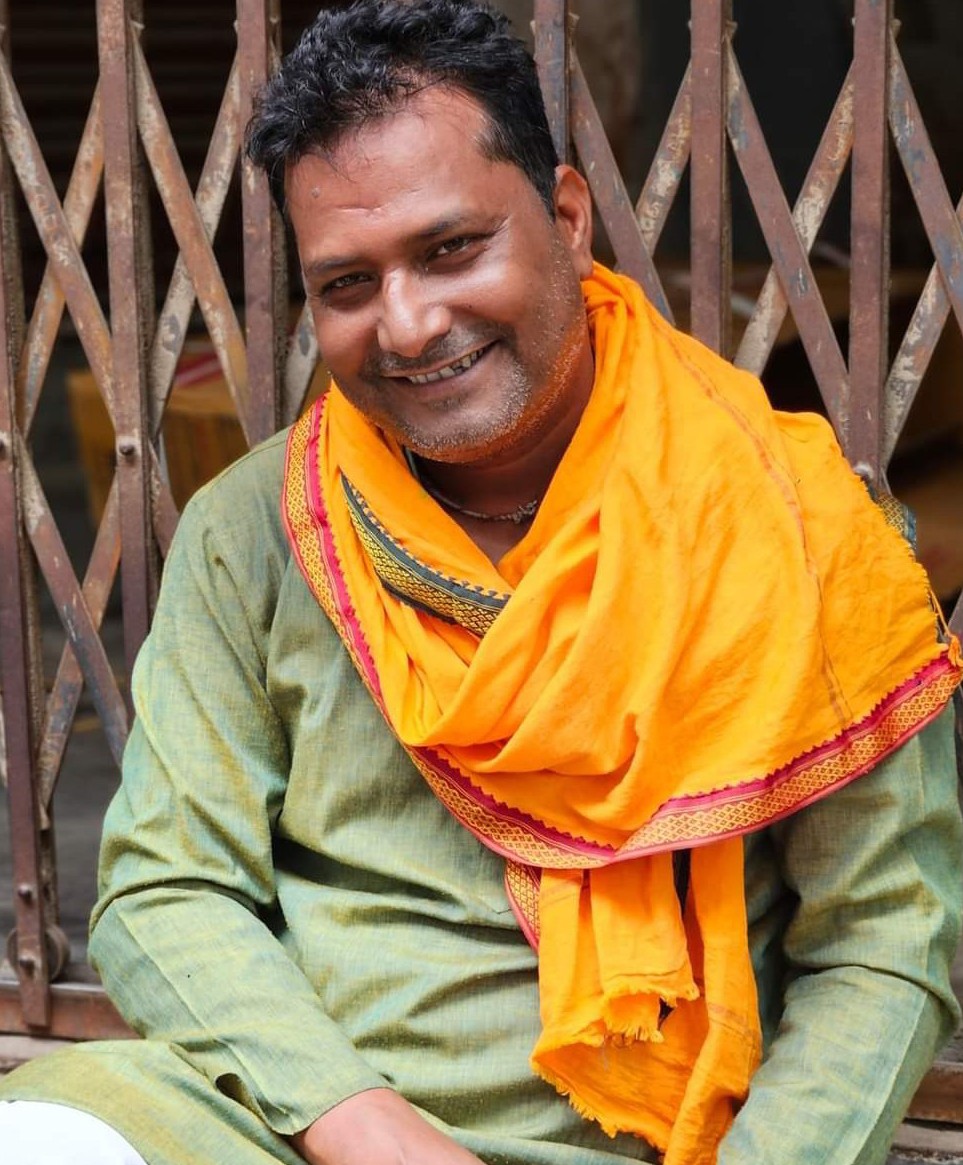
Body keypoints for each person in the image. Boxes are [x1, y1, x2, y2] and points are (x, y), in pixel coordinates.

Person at [2, 1, 962, 1162]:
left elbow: (880, 945)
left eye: (452, 248)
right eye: (347, 284)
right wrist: (377, 1137)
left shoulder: (792, 527)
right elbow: (164, 891)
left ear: (568, 218)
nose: (408, 325)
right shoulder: (258, 529)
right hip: (297, 1131)